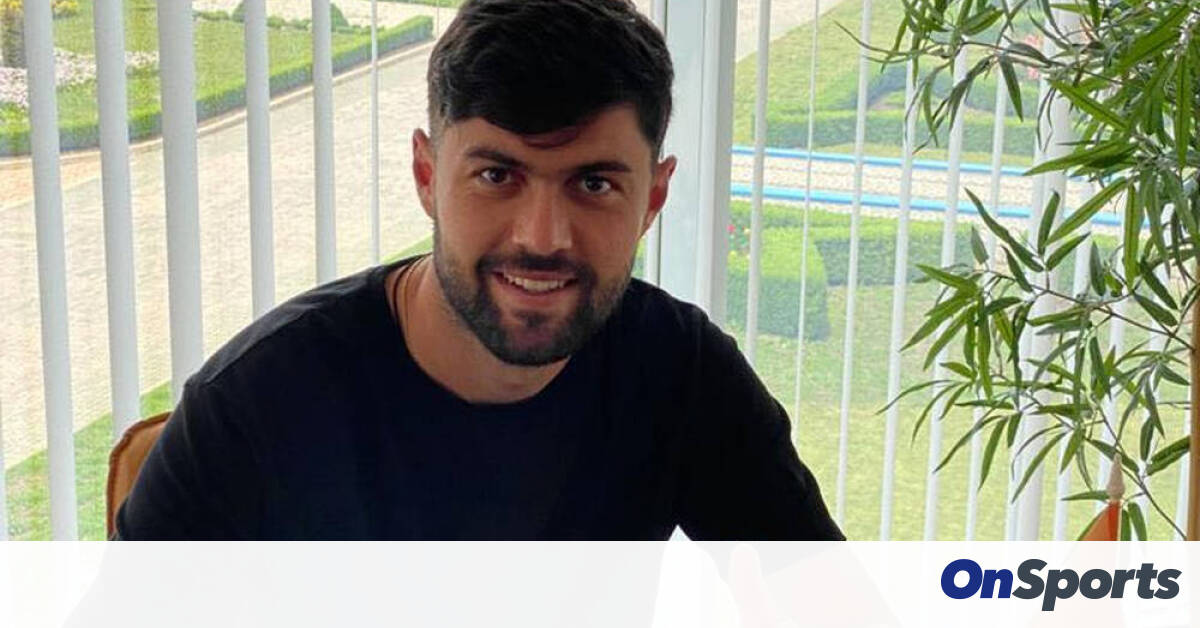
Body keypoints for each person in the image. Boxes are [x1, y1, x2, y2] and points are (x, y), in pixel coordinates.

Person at [114, 0, 843, 541]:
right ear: (427, 175)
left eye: (593, 183)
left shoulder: (680, 372)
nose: (542, 237)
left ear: (652, 198)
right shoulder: (253, 406)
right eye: (497, 176)